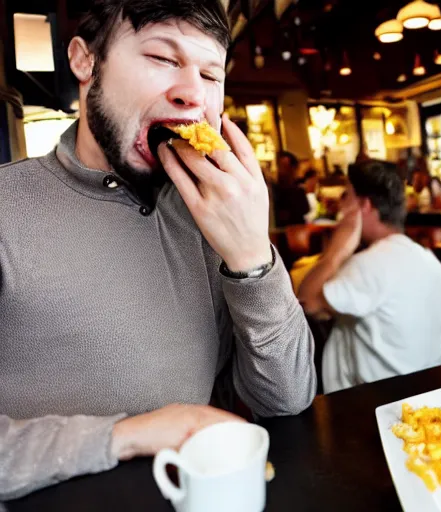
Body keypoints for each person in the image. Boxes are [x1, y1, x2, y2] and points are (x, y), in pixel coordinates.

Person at [0, 0, 316, 500]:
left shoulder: (208, 215)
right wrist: (123, 436)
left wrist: (253, 257)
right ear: (85, 61)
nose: (192, 92)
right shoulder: (7, 210)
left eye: (211, 74)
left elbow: (285, 398)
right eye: (163, 59)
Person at [298, 160, 441, 394]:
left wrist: (337, 250)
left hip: (368, 408)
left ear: (364, 206)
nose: (340, 207)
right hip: (430, 393)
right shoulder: (426, 259)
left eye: (346, 197)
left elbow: (306, 302)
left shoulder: (371, 264)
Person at [273, 151, 309, 226]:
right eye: (280, 166)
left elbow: (305, 209)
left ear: (293, 168)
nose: (282, 171)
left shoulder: (299, 189)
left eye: (285, 167)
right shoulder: (273, 189)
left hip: (296, 230)